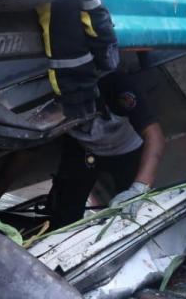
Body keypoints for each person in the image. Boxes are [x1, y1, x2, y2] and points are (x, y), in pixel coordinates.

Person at [46, 72, 165, 229]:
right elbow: (26, 149)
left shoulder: (117, 85)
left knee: (133, 214)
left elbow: (155, 136)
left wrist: (139, 188)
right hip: (83, 150)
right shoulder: (45, 99)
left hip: (127, 150)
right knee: (63, 214)